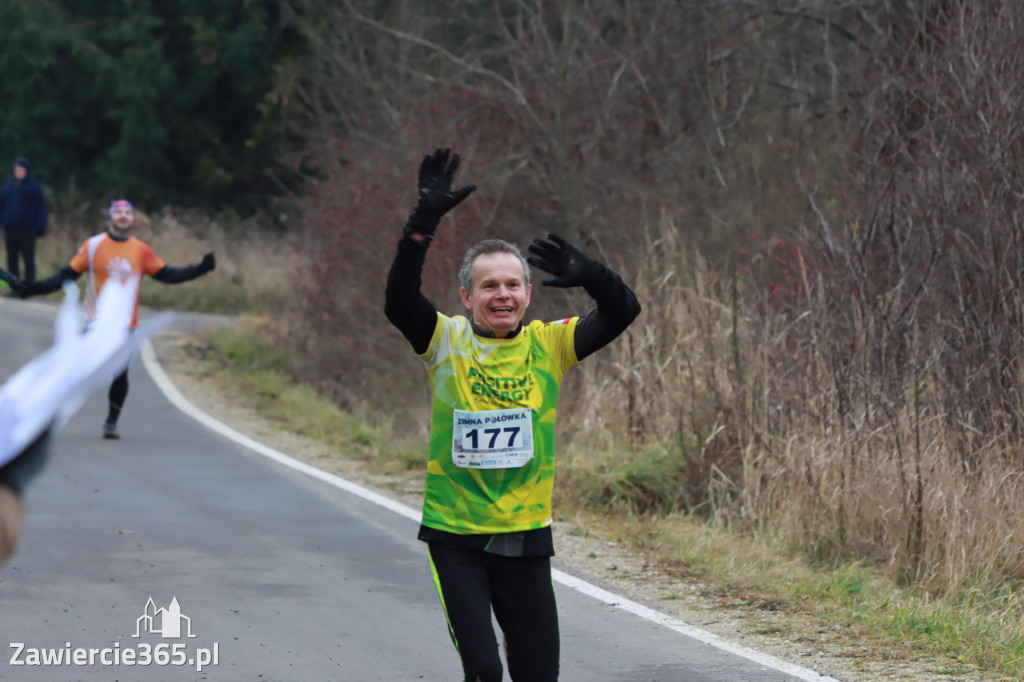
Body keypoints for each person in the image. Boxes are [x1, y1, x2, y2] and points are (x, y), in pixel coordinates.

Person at [384, 149, 641, 682]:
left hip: (524, 536)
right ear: (467, 296)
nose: (501, 294)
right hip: (456, 538)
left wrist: (592, 274)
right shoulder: (444, 340)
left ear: (527, 294)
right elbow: (398, 299)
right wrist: (422, 222)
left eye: (512, 285)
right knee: (483, 671)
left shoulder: (552, 344)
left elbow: (624, 311)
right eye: (488, 286)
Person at [19, 199, 215, 439]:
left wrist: (199, 269)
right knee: (73, 369)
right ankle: (44, 417)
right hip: (93, 321)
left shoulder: (141, 250)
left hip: (125, 324)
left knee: (120, 373)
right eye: (118, 212)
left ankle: (111, 422)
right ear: (110, 217)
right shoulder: (93, 246)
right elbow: (66, 274)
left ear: (133, 219)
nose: (123, 216)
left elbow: (167, 275)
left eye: (127, 213)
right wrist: (36, 288)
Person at [0, 156, 49, 285]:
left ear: (27, 170)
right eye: (17, 169)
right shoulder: (8, 186)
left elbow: (41, 208)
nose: (19, 172)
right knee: (12, 259)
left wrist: (41, 227)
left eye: (21, 169)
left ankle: (29, 286)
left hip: (27, 229)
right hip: (10, 228)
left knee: (28, 259)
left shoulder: (34, 187)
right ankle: (14, 286)